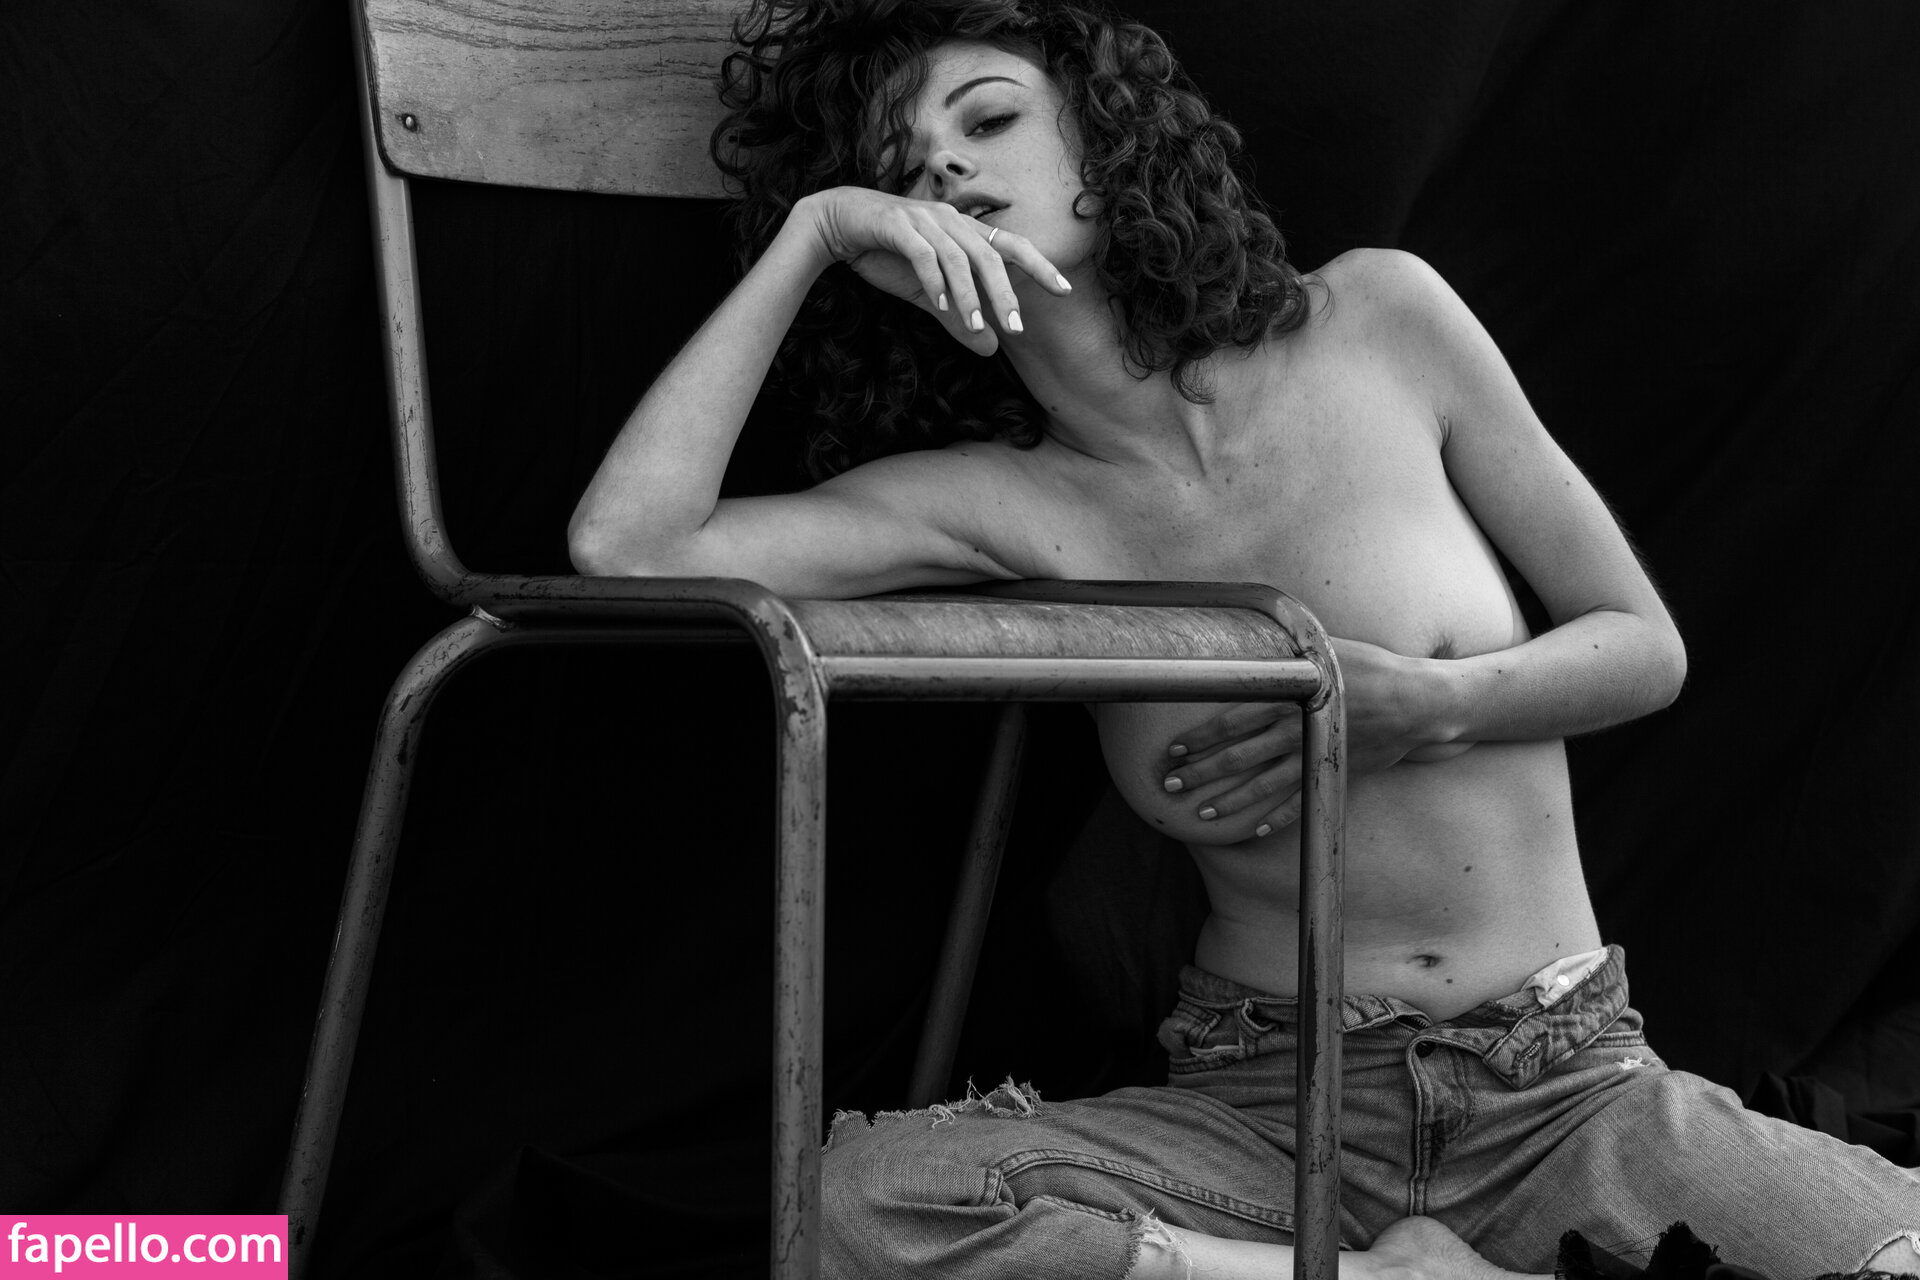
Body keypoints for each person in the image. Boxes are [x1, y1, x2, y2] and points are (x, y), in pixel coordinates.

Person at [569, 1, 1920, 1276]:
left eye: (987, 119)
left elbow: (1643, 646)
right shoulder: (992, 504)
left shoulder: (1378, 320)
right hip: (1269, 1109)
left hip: (1564, 1090)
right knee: (855, 1203)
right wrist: (808, 235)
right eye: (898, 169)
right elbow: (630, 545)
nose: (946, 169)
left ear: (1104, 127)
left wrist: (1426, 703)